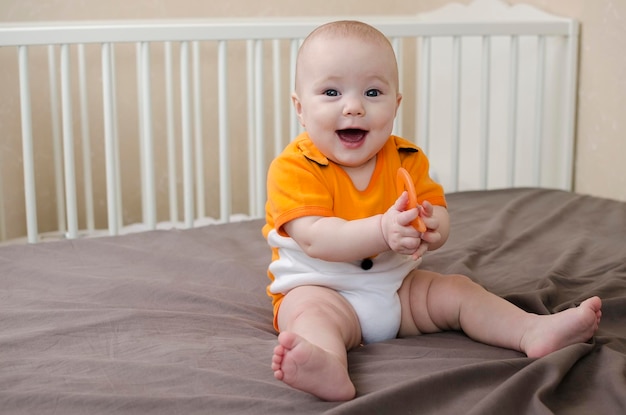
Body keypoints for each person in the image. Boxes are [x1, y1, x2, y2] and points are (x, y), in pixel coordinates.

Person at [262, 20, 602, 402]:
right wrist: (383, 231)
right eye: (331, 92)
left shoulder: (406, 158)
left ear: (396, 104)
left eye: (373, 92)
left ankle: (531, 330)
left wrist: (432, 228)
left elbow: (436, 214)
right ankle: (326, 363)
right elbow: (315, 238)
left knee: (457, 291)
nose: (354, 107)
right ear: (300, 108)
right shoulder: (295, 167)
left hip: (398, 289)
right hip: (324, 288)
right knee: (307, 315)